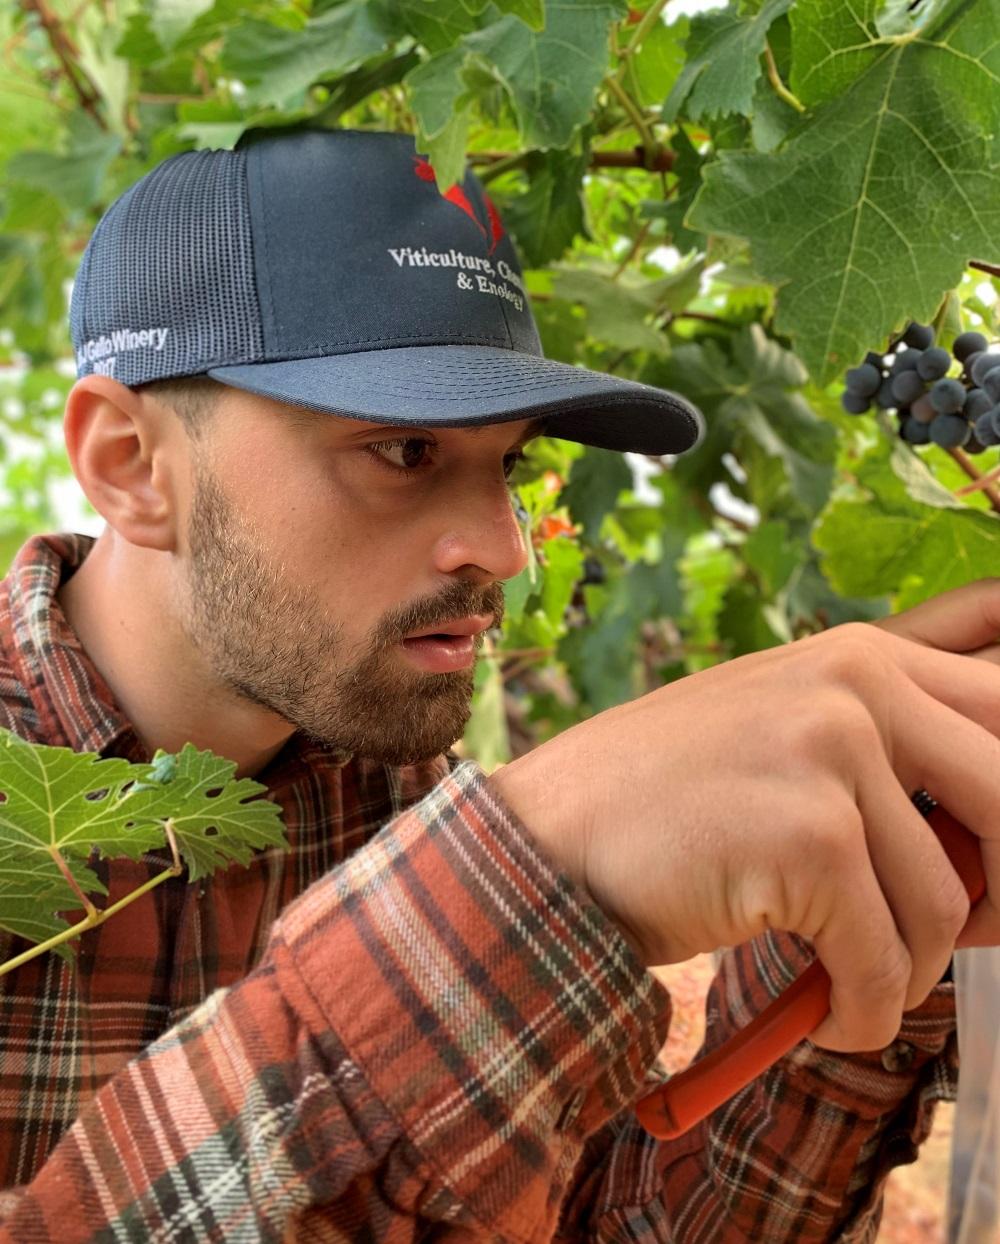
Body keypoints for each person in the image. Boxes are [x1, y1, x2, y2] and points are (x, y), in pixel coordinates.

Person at [0, 125, 995, 1242]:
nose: (507, 546)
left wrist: (876, 894)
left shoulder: (393, 798)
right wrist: (525, 877)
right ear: (131, 465)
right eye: (406, 452)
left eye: (507, 463)